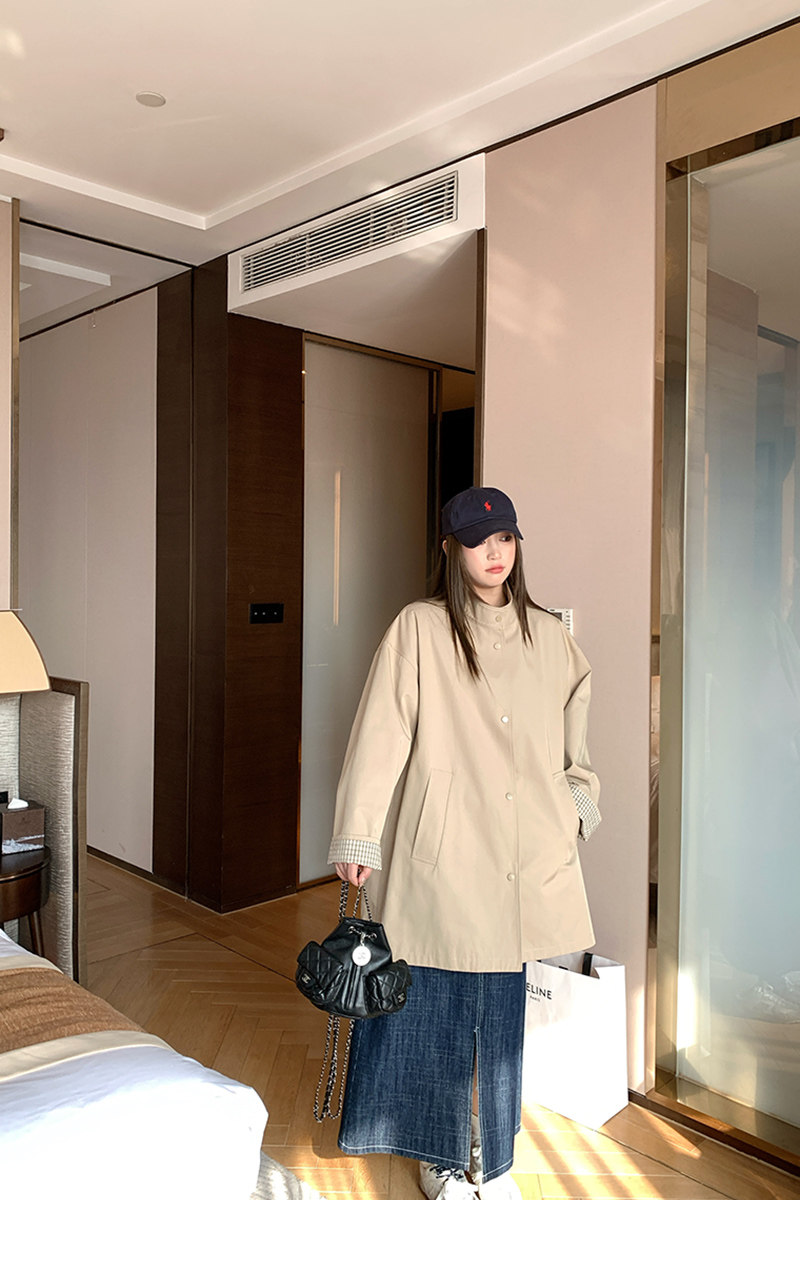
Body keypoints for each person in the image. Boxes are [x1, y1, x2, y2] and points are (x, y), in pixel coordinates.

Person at [328, 485, 601, 1200]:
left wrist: (575, 808)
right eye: (478, 541)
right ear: (451, 550)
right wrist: (358, 832)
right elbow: (381, 732)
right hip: (443, 852)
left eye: (505, 537)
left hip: (519, 856)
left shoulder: (549, 636)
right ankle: (439, 1155)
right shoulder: (420, 628)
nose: (494, 553)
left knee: (499, 1016)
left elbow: (576, 747)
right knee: (432, 1004)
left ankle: (491, 1150)